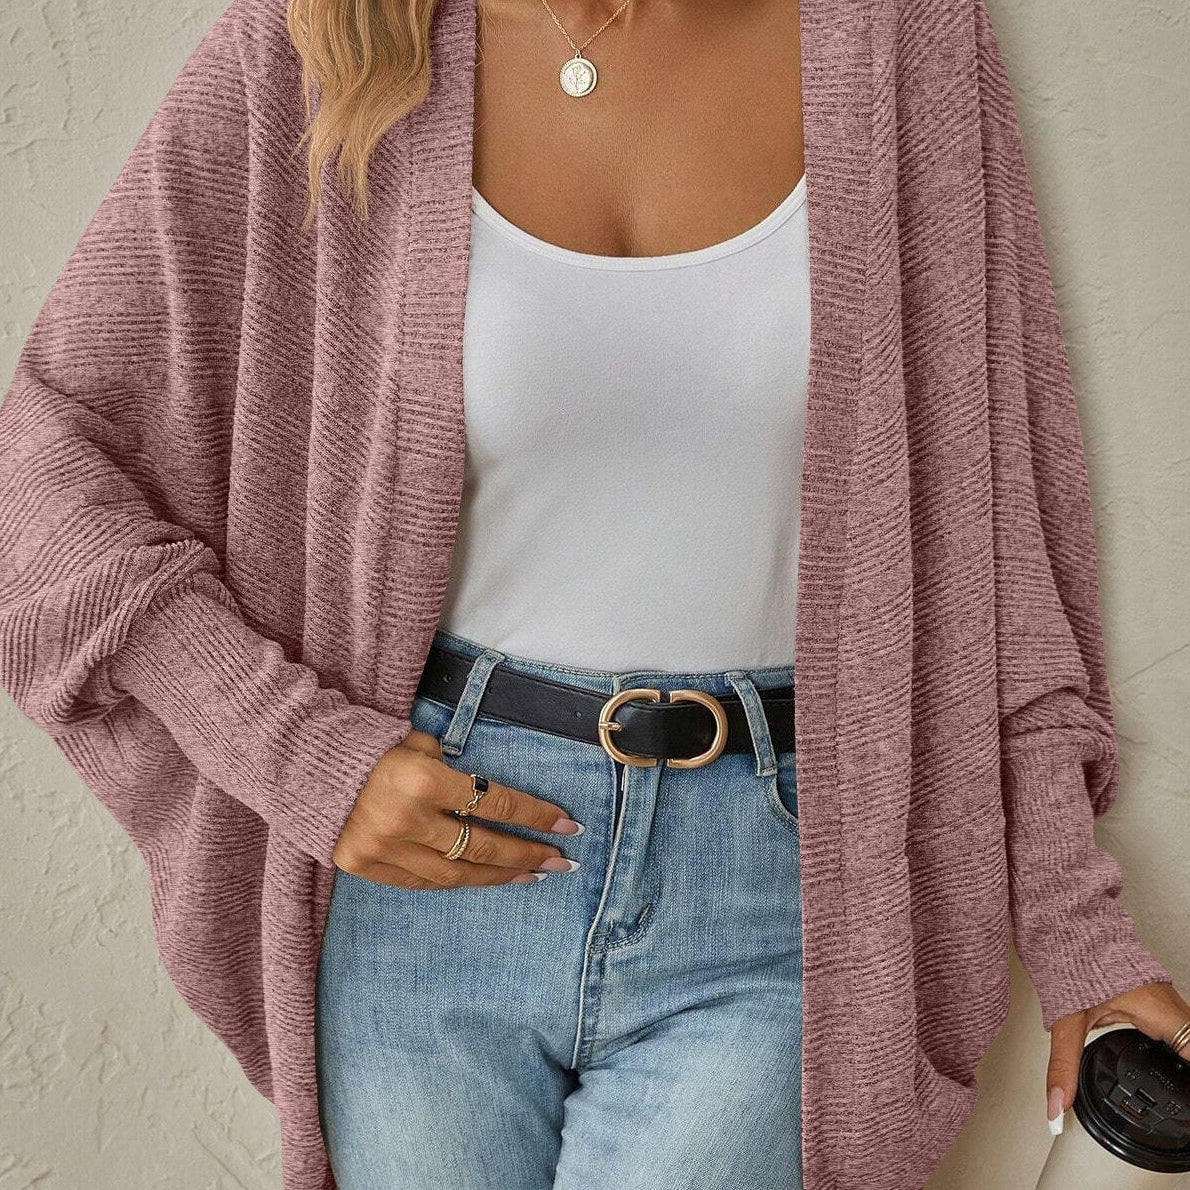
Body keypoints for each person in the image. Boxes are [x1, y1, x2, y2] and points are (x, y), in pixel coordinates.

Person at [0, 0, 1185, 1186]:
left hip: (776, 891)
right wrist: (298, 751)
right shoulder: (323, 42)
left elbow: (992, 529)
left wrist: (1073, 919)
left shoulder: (893, 38)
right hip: (429, 872)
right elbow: (35, 475)